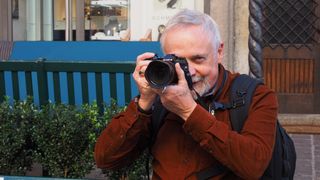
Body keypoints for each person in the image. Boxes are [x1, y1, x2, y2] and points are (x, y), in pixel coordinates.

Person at [94, 9, 278, 179]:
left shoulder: (254, 95)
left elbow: (254, 166)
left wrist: (189, 112)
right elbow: (106, 160)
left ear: (219, 52)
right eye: (178, 61)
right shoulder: (160, 97)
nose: (189, 71)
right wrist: (144, 103)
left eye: (198, 59)